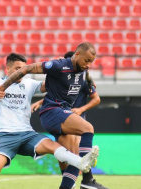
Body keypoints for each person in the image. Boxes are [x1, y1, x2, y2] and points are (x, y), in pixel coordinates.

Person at [0, 53, 98, 189]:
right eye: (17, 68)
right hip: (6, 135)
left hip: (27, 134)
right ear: (8, 68)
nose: (21, 73)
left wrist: (76, 76)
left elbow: (52, 85)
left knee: (54, 147)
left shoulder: (29, 83)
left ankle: (81, 163)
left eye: (23, 69)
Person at [31, 51, 106, 189]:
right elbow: (56, 97)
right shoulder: (64, 77)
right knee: (67, 158)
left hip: (75, 120)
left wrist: (81, 109)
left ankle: (85, 180)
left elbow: (96, 98)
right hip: (61, 117)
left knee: (74, 157)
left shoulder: (83, 79)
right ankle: (78, 182)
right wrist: (40, 102)